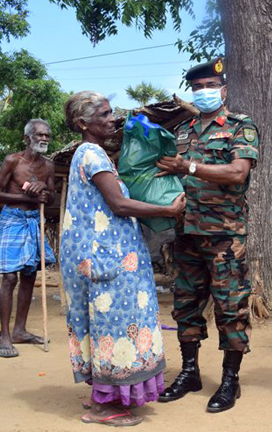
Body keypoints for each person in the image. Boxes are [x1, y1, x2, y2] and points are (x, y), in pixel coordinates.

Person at [61, 91, 186, 427]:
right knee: (112, 327)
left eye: (111, 111)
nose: (112, 118)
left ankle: (110, 397)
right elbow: (118, 204)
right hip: (106, 261)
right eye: (103, 113)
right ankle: (103, 407)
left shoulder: (95, 154)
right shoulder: (91, 155)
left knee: (111, 326)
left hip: (107, 258)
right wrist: (167, 210)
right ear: (82, 123)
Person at [154, 57, 259, 413]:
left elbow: (237, 173)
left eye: (210, 87)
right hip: (186, 234)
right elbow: (170, 176)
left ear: (223, 90)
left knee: (231, 309)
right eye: (197, 88)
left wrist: (191, 166)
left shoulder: (240, 126)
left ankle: (230, 380)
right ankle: (189, 372)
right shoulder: (182, 131)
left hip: (226, 238)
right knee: (185, 306)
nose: (203, 93)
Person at [0, 119, 57, 358]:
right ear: (27, 138)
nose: (45, 139)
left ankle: (20, 331)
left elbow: (51, 200)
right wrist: (29, 197)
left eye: (47, 135)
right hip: (13, 219)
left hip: (33, 221)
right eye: (40, 135)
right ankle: (5, 336)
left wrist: (43, 190)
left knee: (29, 275)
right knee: (9, 278)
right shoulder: (13, 161)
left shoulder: (48, 166)